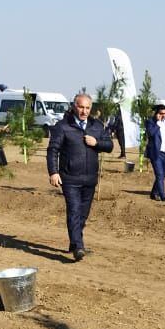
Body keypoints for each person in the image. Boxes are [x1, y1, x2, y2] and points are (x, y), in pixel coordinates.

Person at [47, 92, 113, 262]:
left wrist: (97, 143)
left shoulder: (97, 126)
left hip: (90, 178)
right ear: (74, 106)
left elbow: (109, 145)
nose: (84, 111)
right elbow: (53, 150)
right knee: (74, 211)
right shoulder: (63, 126)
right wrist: (53, 172)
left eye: (87, 108)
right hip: (70, 178)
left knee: (83, 214)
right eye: (81, 107)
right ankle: (78, 246)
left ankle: (75, 241)